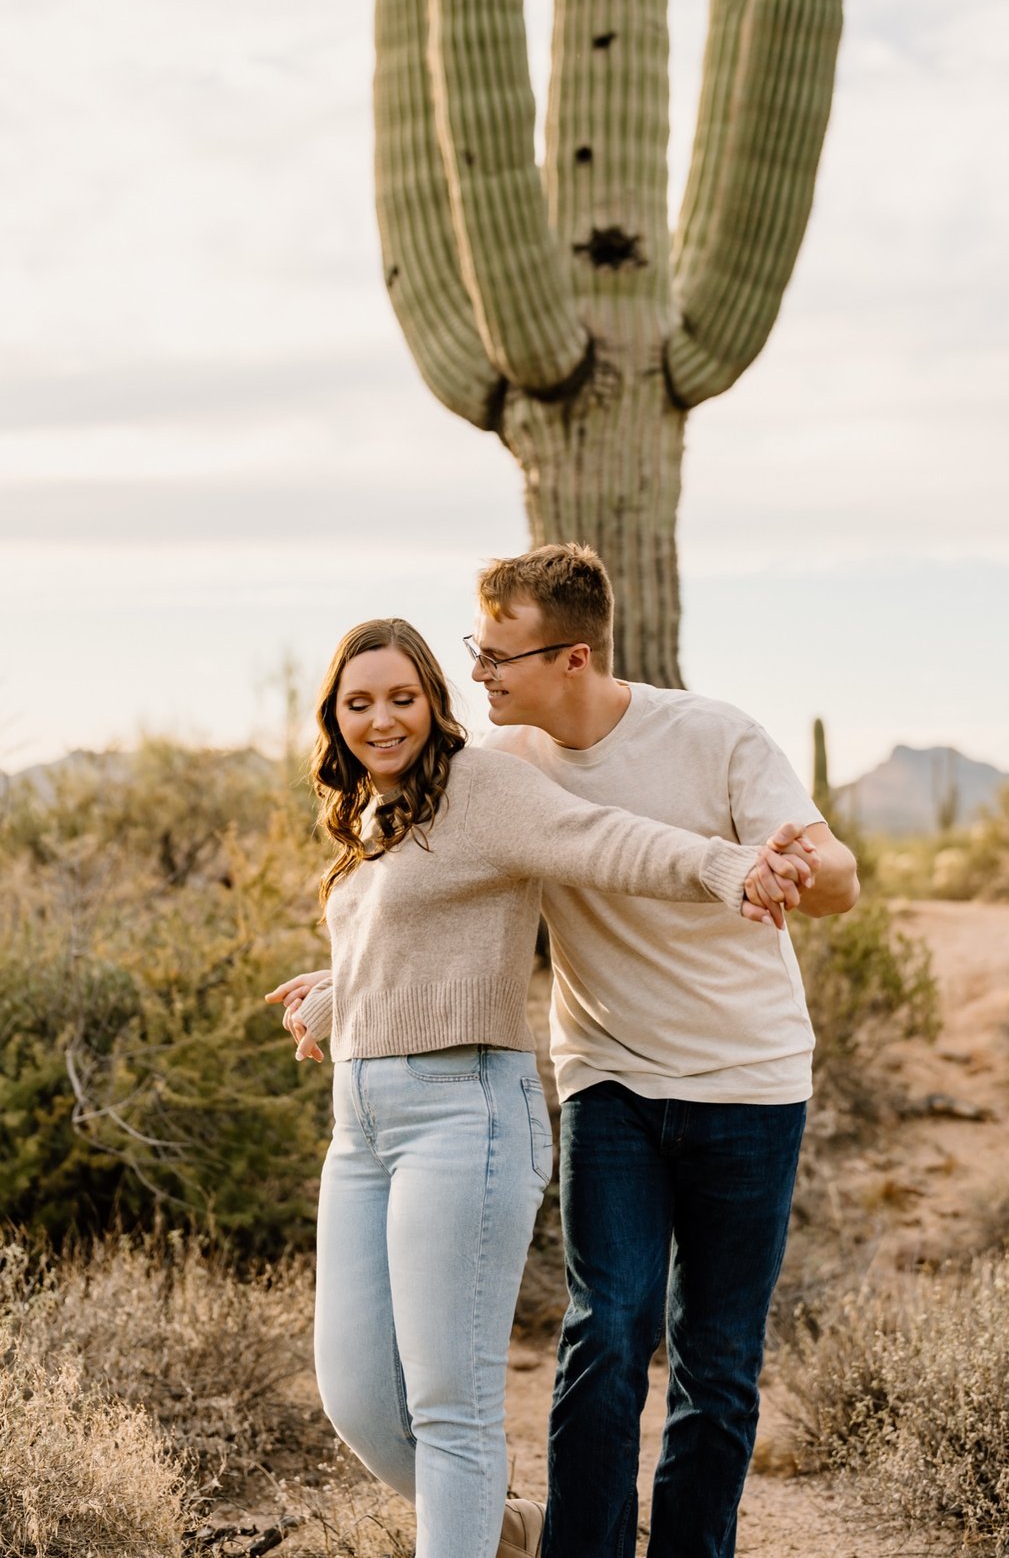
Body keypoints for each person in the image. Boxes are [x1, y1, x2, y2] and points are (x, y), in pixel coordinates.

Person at [268, 618, 804, 1558]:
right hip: (360, 1129)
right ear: (334, 714)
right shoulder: (369, 813)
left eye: (403, 697)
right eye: (360, 702)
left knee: (451, 1405)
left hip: (462, 1112)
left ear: (436, 700)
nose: (382, 719)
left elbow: (606, 840)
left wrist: (731, 869)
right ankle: (516, 1530)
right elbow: (411, 936)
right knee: (358, 1397)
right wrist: (335, 990)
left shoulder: (484, 785)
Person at [466, 545, 859, 1558]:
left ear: (574, 657)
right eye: (477, 649)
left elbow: (843, 881)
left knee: (718, 1361)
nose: (480, 673)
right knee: (608, 1329)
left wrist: (791, 866)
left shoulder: (714, 734)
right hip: (611, 1079)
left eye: (499, 656)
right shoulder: (503, 766)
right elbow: (429, 897)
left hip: (750, 1082)